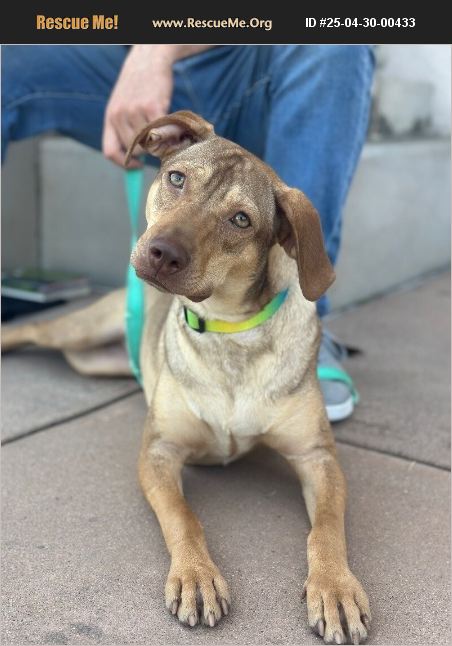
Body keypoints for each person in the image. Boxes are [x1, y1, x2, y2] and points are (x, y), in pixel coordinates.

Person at [1, 44, 375, 421]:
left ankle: (303, 331)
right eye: (177, 180)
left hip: (253, 65)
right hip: (116, 62)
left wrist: (155, 53)